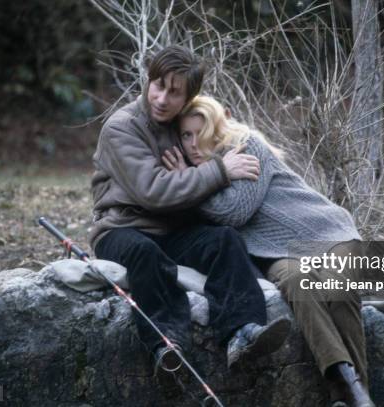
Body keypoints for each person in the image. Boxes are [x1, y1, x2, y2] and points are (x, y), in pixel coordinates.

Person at [162, 95, 375, 407]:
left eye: (200, 132)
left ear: (219, 128)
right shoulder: (205, 172)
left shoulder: (247, 147)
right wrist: (194, 179)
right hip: (276, 254)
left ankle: (355, 395)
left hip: (327, 232)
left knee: (337, 291)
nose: (193, 144)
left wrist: (190, 182)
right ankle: (344, 386)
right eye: (186, 135)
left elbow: (235, 212)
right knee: (299, 284)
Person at [89, 46, 291, 373]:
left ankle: (244, 332)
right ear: (148, 80)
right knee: (145, 254)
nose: (161, 99)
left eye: (174, 92)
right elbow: (153, 191)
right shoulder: (122, 127)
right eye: (158, 85)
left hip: (174, 231)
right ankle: (167, 345)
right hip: (121, 230)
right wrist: (219, 171)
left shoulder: (186, 125)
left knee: (224, 239)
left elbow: (211, 157)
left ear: (188, 99)